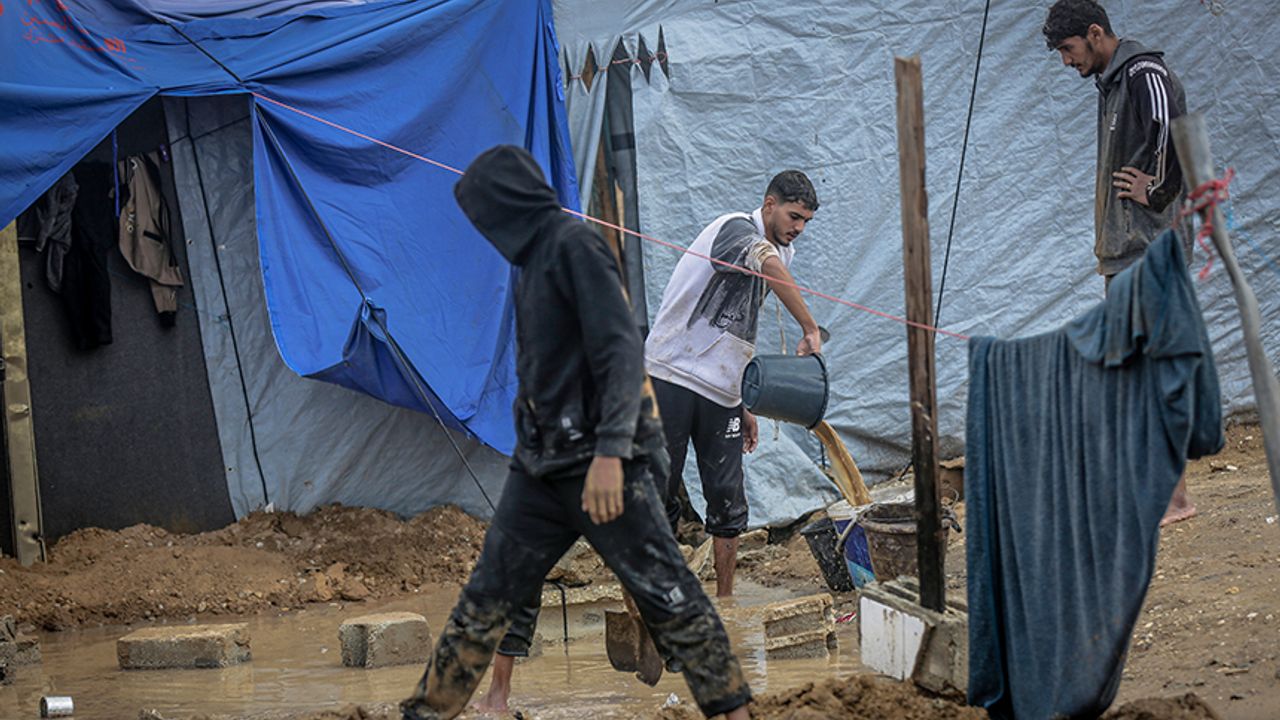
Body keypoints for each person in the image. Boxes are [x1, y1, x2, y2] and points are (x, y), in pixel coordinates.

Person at [400, 145, 752, 720]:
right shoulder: (529, 263)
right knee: (487, 595)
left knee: (668, 593)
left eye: (485, 217)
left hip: (602, 460)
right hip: (541, 465)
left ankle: (734, 710)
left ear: (510, 205)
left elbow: (617, 351)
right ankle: (428, 712)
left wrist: (613, 453)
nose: (484, 231)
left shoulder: (574, 245)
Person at [1043, 0, 1197, 526]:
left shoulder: (1143, 71)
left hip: (1151, 248)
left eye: (1068, 49)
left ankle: (1174, 499)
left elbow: (1175, 130)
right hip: (1124, 251)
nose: (1066, 61)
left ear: (1094, 33)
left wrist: (1157, 189)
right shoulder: (1111, 83)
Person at [645, 171, 823, 597]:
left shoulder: (786, 253)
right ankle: (655, 597)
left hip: (721, 391)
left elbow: (742, 325)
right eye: (793, 216)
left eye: (805, 222)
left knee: (727, 497)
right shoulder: (734, 230)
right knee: (658, 487)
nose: (797, 228)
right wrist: (809, 326)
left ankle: (725, 602)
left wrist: (741, 400)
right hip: (669, 373)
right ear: (768, 205)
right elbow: (764, 260)